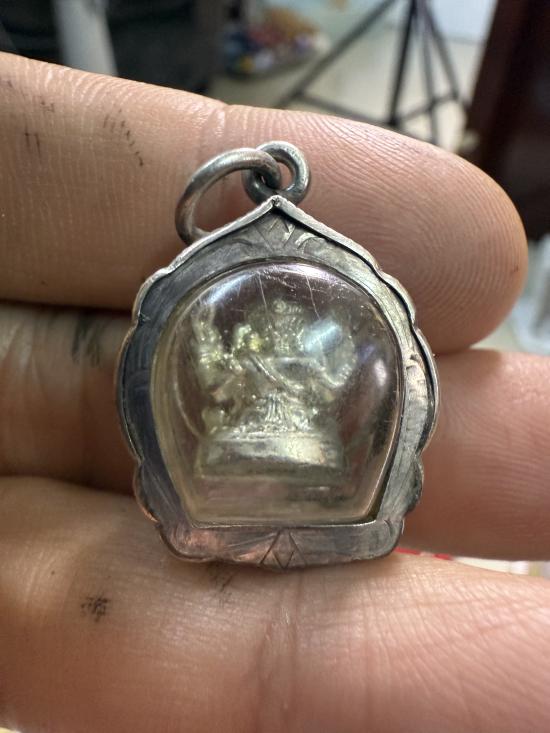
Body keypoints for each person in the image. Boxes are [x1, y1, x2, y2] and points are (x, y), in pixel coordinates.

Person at [0, 51, 548, 733]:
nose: (279, 326)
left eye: (288, 323)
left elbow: (334, 376)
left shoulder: (316, 350)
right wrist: (216, 349)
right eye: (271, 325)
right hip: (242, 448)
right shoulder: (240, 346)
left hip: (300, 447)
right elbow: (219, 374)